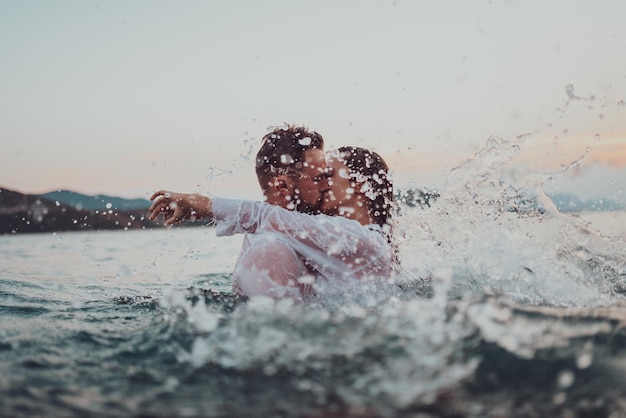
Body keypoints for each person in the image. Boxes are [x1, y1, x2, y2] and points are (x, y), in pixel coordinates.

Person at [149, 127, 394, 299]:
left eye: (327, 176)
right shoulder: (284, 244)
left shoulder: (361, 240)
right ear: (283, 185)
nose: (323, 184)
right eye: (318, 177)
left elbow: (267, 217)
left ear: (361, 185)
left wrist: (199, 203)